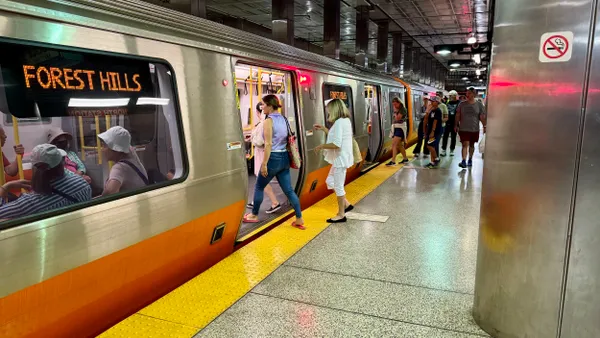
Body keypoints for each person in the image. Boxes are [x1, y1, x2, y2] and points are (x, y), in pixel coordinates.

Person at [243, 95, 304, 229]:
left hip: (273, 158)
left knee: (259, 186)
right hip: (284, 158)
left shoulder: (268, 121)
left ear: (270, 105)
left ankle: (253, 215)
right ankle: (299, 218)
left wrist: (264, 163)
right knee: (289, 191)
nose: (262, 107)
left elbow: (268, 144)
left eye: (263, 105)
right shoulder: (284, 119)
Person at [0, 144, 91, 219]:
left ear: (34, 169)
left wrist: (5, 188)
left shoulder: (28, 204)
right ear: (61, 164)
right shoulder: (82, 184)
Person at [314, 99, 354, 223]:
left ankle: (341, 214)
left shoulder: (339, 123)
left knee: (338, 186)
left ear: (334, 109)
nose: (327, 111)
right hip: (341, 158)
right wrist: (324, 129)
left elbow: (336, 144)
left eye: (329, 109)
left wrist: (321, 146)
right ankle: (346, 204)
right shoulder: (345, 121)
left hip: (340, 160)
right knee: (330, 181)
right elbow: (336, 136)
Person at [247, 102, 281, 214]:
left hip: (261, 154)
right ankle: (254, 201)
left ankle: (274, 202)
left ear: (258, 112)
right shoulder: (272, 121)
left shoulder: (262, 123)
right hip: (268, 152)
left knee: (261, 180)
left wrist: (252, 137)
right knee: (260, 179)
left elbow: (260, 141)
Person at [98, 126, 149, 196]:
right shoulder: (132, 155)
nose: (102, 150)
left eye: (105, 146)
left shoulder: (120, 168)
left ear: (115, 149)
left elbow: (111, 191)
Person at [455, 87, 487, 168]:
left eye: (469, 93)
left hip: (474, 129)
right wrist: (456, 125)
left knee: (472, 145)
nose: (467, 95)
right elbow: (458, 115)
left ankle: (470, 159)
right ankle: (463, 160)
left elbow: (482, 116)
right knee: (465, 144)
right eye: (467, 93)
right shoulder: (462, 104)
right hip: (463, 128)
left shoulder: (479, 105)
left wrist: (484, 126)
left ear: (474, 94)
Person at [386, 97, 409, 166]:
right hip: (396, 127)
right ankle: (405, 159)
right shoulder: (398, 109)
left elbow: (397, 118)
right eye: (393, 105)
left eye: (395, 104)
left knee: (394, 144)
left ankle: (393, 161)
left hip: (400, 128)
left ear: (399, 103)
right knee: (399, 145)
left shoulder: (403, 109)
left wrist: (395, 112)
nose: (394, 106)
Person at [423, 96, 443, 169]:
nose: (431, 102)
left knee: (430, 145)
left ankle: (436, 159)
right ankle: (432, 161)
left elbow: (435, 121)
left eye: (433, 101)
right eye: (431, 101)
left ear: (437, 102)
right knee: (431, 145)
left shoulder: (438, 111)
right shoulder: (432, 110)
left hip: (435, 131)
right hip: (431, 130)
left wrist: (432, 131)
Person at [441, 90, 460, 157]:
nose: (450, 97)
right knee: (445, 136)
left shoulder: (459, 103)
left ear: (455, 96)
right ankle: (443, 149)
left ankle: (452, 149)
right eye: (449, 96)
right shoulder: (447, 102)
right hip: (447, 122)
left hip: (455, 123)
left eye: (451, 96)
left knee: (453, 137)